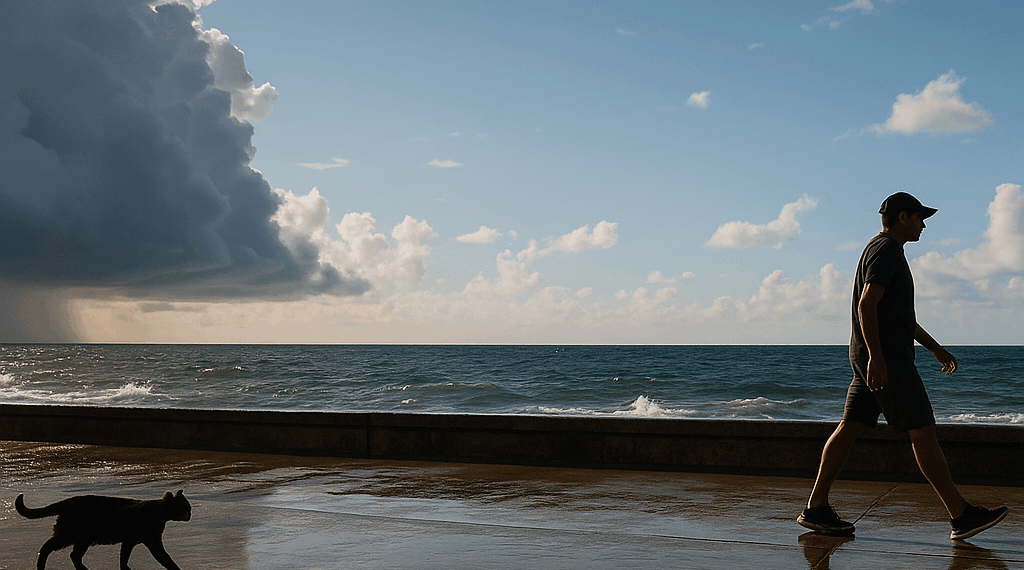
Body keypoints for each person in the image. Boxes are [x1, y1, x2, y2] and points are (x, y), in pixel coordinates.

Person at [798, 192, 1008, 541]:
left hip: (872, 356)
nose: (923, 224)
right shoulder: (887, 251)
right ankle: (961, 515)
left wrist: (935, 349)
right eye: (919, 217)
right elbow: (868, 306)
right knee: (922, 430)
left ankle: (815, 508)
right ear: (902, 217)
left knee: (850, 427)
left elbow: (897, 316)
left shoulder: (880, 249)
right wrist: (879, 358)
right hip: (888, 360)